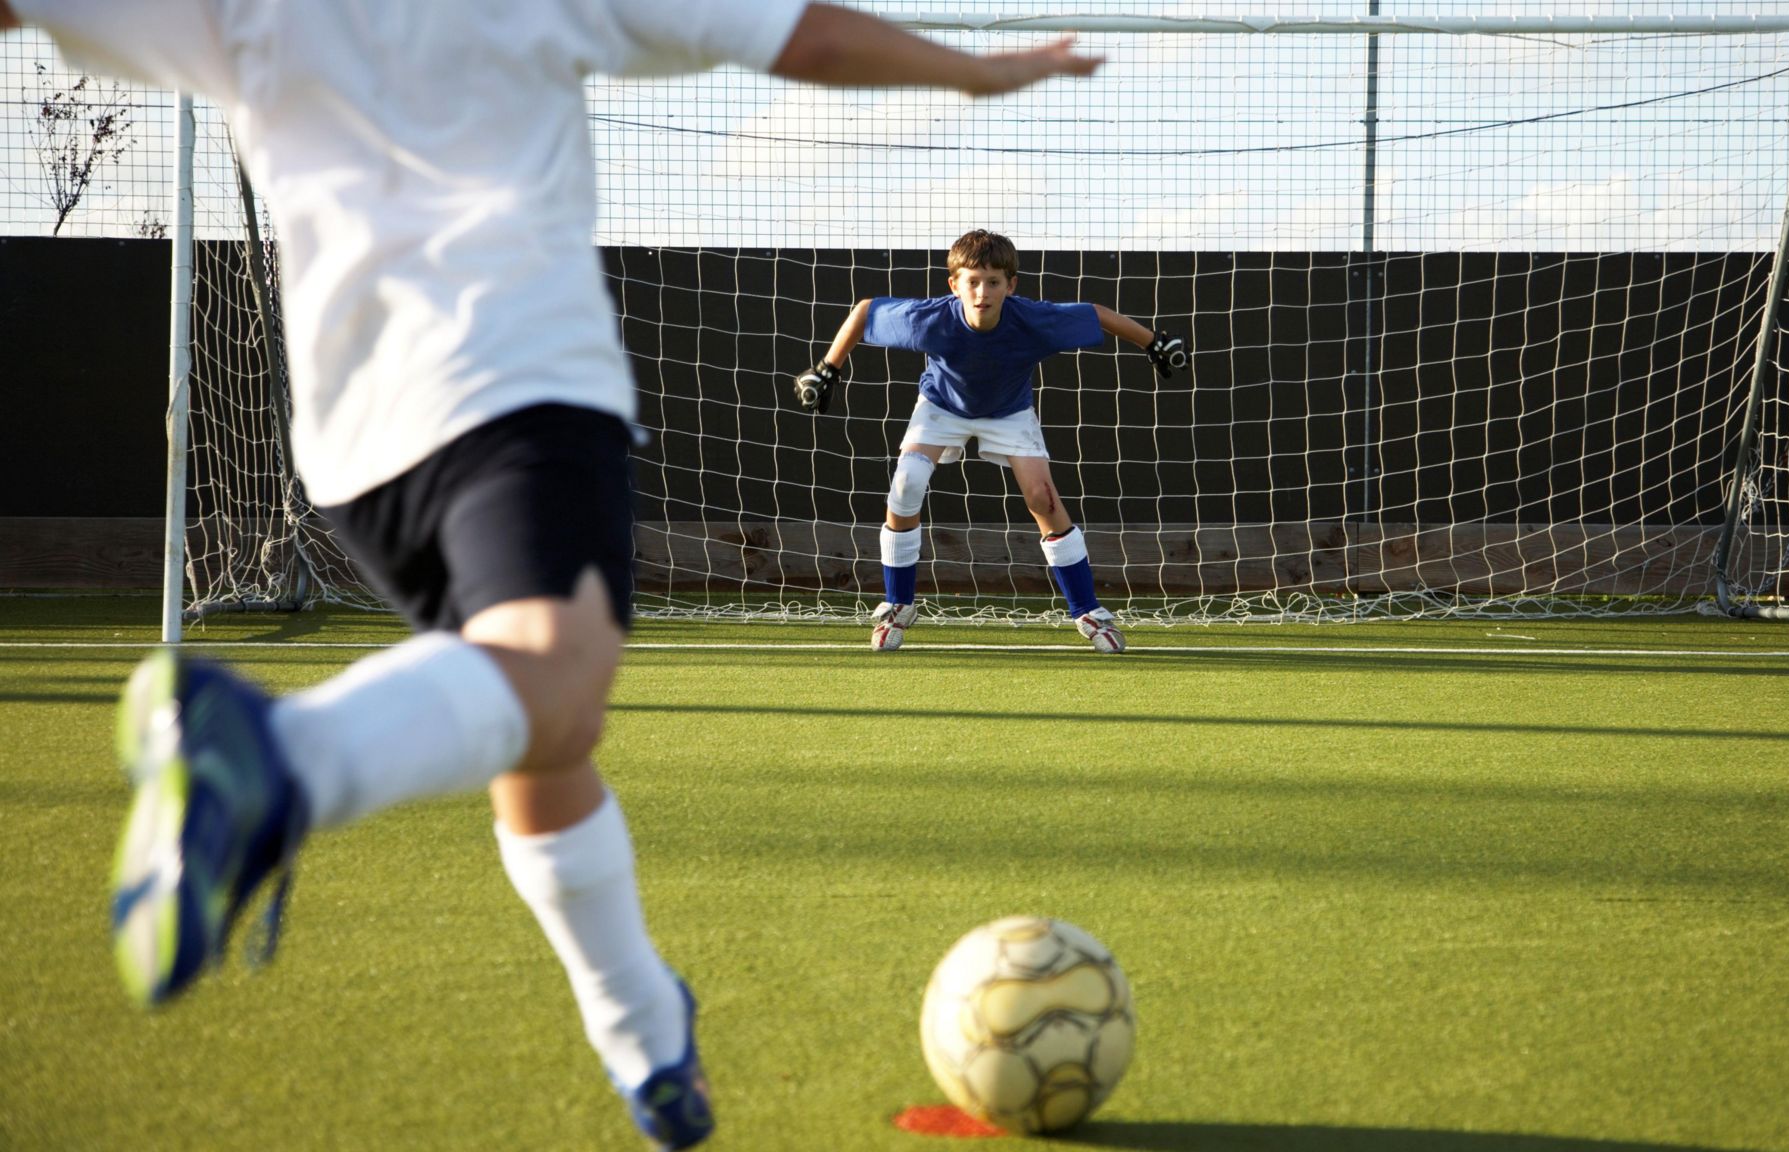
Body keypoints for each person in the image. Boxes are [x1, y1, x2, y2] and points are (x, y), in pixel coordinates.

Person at [1, 2, 1100, 1147]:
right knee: (553, 678)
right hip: (517, 397)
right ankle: (287, 764)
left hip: (354, 447)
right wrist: (976, 74)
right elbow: (806, 37)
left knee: (533, 724)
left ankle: (644, 1036)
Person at [793, 229, 1187, 653]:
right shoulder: (931, 319)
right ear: (955, 285)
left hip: (1009, 412)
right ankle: (897, 605)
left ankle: (1088, 612)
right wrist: (827, 368)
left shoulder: (1031, 319)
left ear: (1010, 285)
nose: (983, 292)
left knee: (1043, 498)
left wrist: (1154, 342)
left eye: (994, 282)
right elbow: (866, 310)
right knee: (905, 484)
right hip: (942, 406)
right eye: (973, 281)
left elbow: (1095, 314)